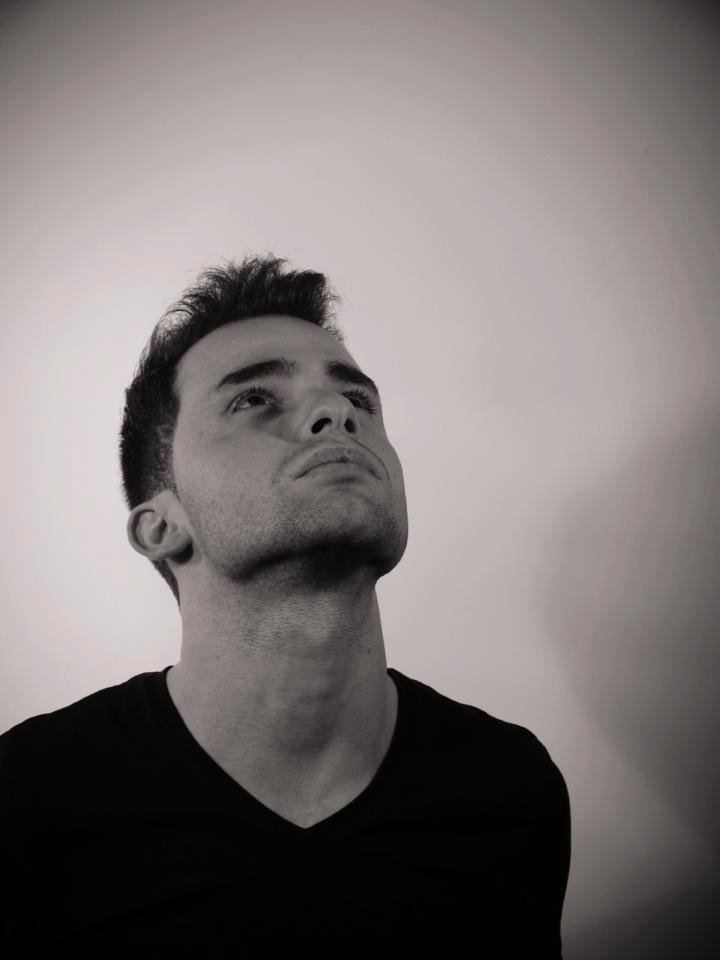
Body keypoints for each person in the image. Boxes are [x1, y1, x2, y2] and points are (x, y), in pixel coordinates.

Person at [0, 255, 571, 954]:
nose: (338, 414)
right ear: (162, 526)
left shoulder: (509, 787)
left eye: (360, 401)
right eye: (254, 399)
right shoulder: (30, 796)